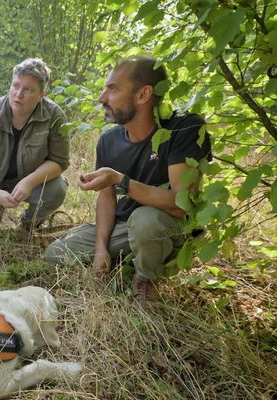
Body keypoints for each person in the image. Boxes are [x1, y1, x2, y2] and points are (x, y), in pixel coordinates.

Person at [45, 55, 212, 309]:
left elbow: (182, 204)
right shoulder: (108, 141)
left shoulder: (183, 129)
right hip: (126, 226)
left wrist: (120, 179)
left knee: (145, 221)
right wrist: (100, 249)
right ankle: (129, 255)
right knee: (56, 253)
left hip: (171, 226)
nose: (102, 98)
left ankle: (146, 280)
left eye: (112, 89)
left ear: (143, 94)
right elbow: (106, 197)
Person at [0, 58, 70, 233]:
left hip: (29, 179)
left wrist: (29, 182)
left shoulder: (54, 116)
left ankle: (28, 225)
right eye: (15, 86)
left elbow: (60, 161)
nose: (18, 94)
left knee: (57, 189)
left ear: (42, 94)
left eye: (28, 90)